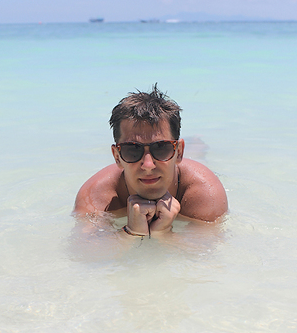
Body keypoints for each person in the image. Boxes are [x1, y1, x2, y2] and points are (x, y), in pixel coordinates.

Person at [74, 85, 228, 237]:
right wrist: (131, 232)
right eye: (132, 150)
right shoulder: (95, 197)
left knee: (198, 158)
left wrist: (163, 234)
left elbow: (206, 250)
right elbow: (83, 250)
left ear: (179, 152)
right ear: (116, 157)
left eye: (161, 148)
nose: (148, 165)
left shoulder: (204, 191)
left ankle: (196, 145)